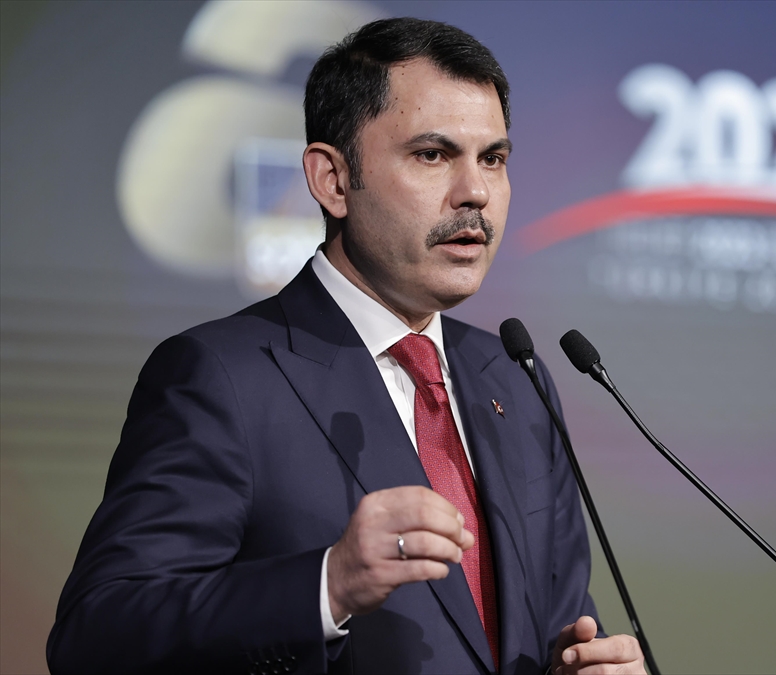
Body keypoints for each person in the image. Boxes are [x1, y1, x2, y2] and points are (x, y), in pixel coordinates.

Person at [46, 18, 646, 675]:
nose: (476, 192)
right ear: (333, 180)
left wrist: (577, 665)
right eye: (432, 154)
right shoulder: (222, 377)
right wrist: (326, 586)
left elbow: (557, 620)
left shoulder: (515, 377)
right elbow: (97, 635)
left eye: (493, 159)